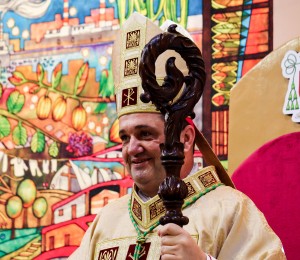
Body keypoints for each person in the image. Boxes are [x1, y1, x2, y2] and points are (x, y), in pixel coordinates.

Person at [69, 13, 285, 260]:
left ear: (185, 138)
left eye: (145, 134)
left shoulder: (230, 210)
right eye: (125, 138)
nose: (133, 148)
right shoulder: (106, 221)